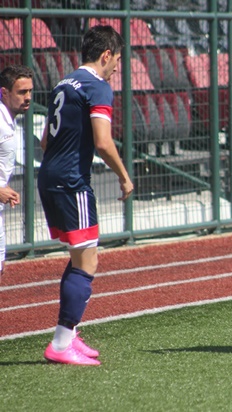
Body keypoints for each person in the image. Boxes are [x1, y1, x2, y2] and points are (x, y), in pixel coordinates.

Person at [39, 25, 134, 366]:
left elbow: (45, 141)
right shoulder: (98, 86)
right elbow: (103, 143)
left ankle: (69, 334)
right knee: (88, 261)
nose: (117, 68)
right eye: (118, 60)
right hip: (72, 182)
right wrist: (124, 177)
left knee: (79, 257)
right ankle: (61, 344)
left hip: (48, 176)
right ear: (106, 55)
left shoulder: (63, 83)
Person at [0, 65, 33, 283]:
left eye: (30, 91)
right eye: (22, 92)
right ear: (4, 93)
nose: (28, 97)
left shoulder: (9, 121)